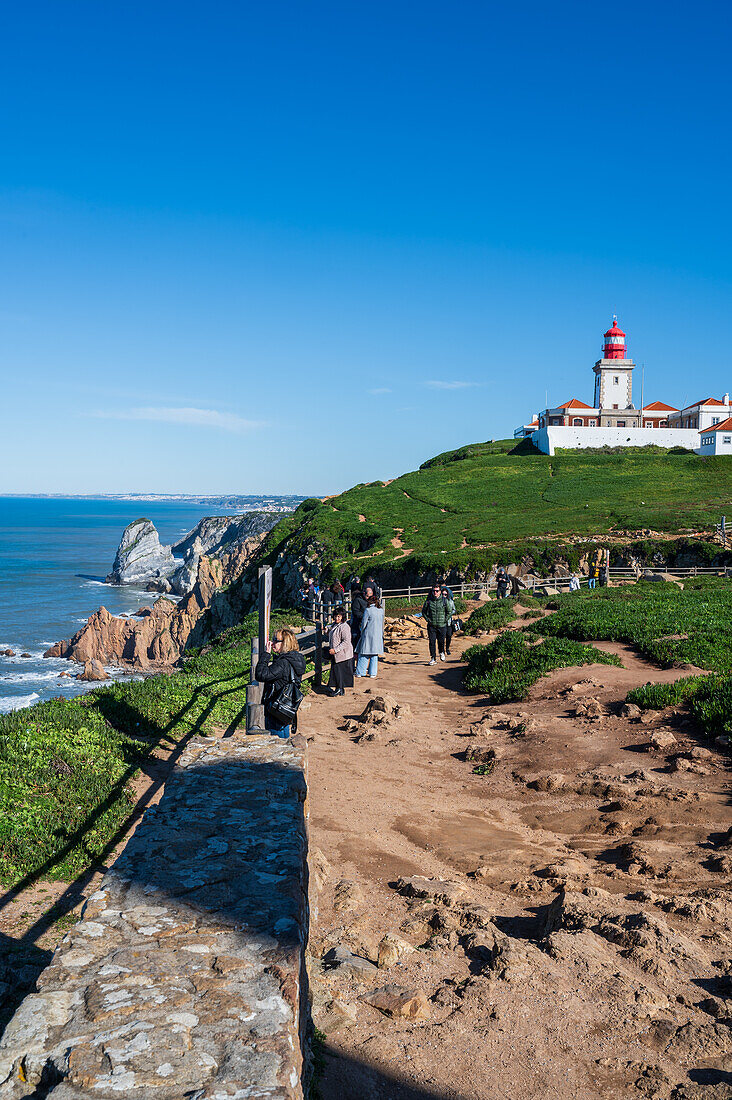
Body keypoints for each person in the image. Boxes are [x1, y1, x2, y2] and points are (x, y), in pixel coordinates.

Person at [255, 627, 306, 738]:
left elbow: (260, 675)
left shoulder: (283, 663)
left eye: (276, 640)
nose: (272, 643)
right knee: (284, 733)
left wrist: (266, 654)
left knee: (276, 739)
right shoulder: (296, 658)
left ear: (285, 643)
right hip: (286, 706)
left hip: (276, 706)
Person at [355, 592, 384, 678]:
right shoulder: (381, 610)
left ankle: (360, 672)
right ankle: (373, 673)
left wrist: (361, 631)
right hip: (378, 634)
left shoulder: (368, 610)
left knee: (364, 653)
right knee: (374, 655)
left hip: (368, 634)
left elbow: (364, 623)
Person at [422, 582, 451, 664]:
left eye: (437, 591)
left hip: (442, 625)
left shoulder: (445, 601)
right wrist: (428, 620)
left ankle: (441, 652)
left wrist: (445, 620)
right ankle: (433, 658)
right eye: (434, 591)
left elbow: (449, 612)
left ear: (440, 591)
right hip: (431, 626)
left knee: (441, 641)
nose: (435, 592)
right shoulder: (428, 601)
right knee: (432, 642)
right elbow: (423, 612)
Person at [328, 606, 354, 696]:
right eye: (335, 616)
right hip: (337, 654)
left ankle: (339, 688)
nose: (336, 618)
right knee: (337, 671)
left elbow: (346, 641)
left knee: (339, 672)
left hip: (343, 654)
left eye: (339, 616)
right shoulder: (334, 625)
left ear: (343, 617)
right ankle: (340, 689)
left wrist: (335, 650)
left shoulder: (345, 627)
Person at [441, 585, 457, 656]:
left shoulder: (450, 601)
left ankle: (447, 649)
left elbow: (454, 610)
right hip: (441, 622)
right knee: (441, 637)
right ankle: (442, 650)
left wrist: (450, 613)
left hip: (449, 622)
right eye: (443, 594)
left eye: (445, 594)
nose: (444, 595)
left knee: (449, 635)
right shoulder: (439, 602)